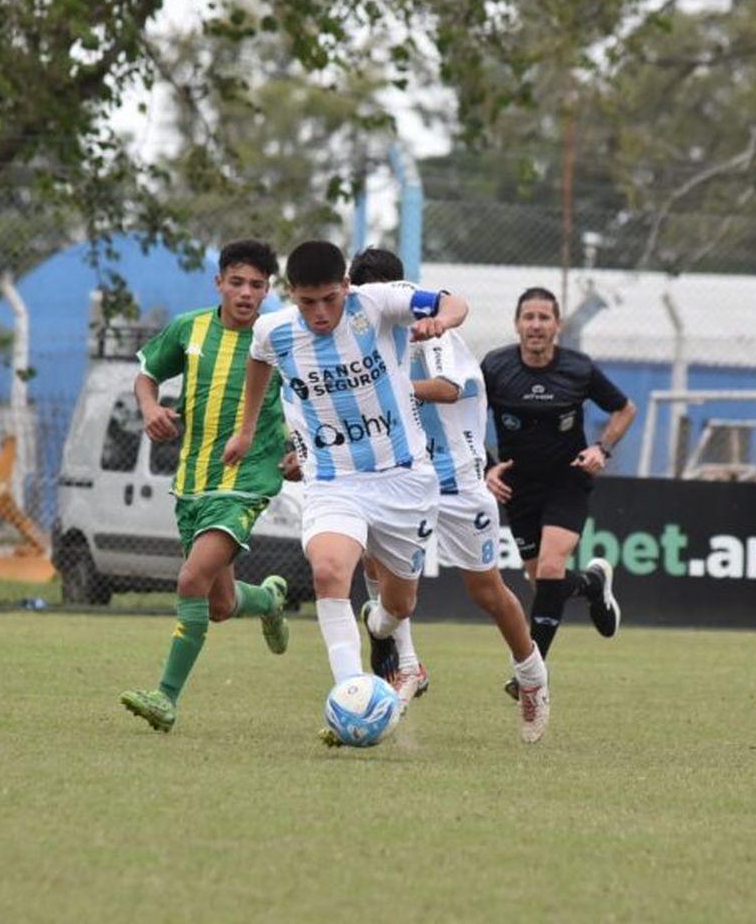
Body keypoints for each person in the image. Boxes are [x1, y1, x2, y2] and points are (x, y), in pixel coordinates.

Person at [222, 239, 467, 746]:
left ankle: (380, 628)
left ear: (346, 288)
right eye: (308, 302)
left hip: (403, 478)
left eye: (330, 299)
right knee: (330, 570)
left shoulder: (377, 304)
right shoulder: (276, 329)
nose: (319, 313)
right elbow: (259, 359)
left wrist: (441, 321)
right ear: (292, 295)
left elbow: (452, 301)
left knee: (399, 604)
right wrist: (246, 430)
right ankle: (351, 693)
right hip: (334, 480)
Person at [348, 247, 550, 742]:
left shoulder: (431, 330)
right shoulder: (362, 340)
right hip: (399, 476)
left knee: (486, 591)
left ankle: (533, 680)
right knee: (380, 569)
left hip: (457, 480)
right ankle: (409, 665)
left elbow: (447, 388)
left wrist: (392, 387)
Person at [119, 239, 294, 733]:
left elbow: (311, 396)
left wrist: (301, 450)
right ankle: (268, 600)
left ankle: (165, 698)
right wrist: (151, 409)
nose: (245, 293)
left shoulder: (278, 337)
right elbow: (146, 375)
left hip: (246, 482)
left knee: (190, 580)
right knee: (217, 605)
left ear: (268, 290)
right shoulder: (190, 328)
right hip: (192, 483)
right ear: (218, 282)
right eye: (236, 282)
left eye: (256, 285)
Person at [481, 287, 631, 700]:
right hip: (518, 487)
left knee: (548, 571)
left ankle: (530, 676)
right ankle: (592, 584)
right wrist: (486, 466)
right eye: (528, 317)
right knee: (543, 583)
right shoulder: (495, 367)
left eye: (544, 317)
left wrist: (602, 448)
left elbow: (625, 408)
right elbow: (465, 415)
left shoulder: (578, 369)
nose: (535, 325)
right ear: (516, 324)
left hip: (567, 480)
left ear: (557, 326)